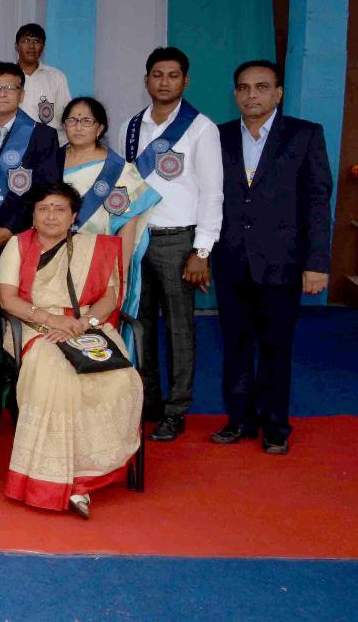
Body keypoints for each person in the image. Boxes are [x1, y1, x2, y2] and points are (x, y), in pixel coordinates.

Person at [0, 182, 143, 518]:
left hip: (86, 326)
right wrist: (51, 320)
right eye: (44, 209)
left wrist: (85, 322)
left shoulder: (93, 247)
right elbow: (8, 300)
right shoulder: (18, 245)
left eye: (60, 209)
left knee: (121, 378)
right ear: (33, 214)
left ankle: (86, 476)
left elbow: (109, 297)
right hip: (35, 325)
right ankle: (58, 478)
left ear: (74, 216)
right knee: (58, 378)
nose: (51, 216)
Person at [211, 60, 331, 455]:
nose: (252, 95)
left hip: (283, 262)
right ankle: (239, 419)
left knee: (276, 347)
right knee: (235, 345)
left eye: (262, 87)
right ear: (235, 94)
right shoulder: (219, 136)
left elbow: (317, 202)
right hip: (231, 260)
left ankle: (276, 425)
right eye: (244, 87)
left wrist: (317, 263)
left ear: (278, 93)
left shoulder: (304, 135)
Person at [117, 47, 222, 440]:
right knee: (139, 323)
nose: (164, 82)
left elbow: (212, 193)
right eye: (157, 74)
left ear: (185, 81)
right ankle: (149, 400)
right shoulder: (131, 127)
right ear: (146, 79)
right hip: (137, 239)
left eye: (173, 75)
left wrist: (202, 250)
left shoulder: (201, 129)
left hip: (179, 241)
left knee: (180, 328)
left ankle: (177, 409)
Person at [0, 62, 62, 424]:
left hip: (23, 241)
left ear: (22, 93)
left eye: (9, 88)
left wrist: (10, 231)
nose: (1, 94)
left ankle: (22, 396)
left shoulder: (43, 136)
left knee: (24, 318)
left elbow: (46, 192)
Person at [61, 97, 160, 322]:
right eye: (72, 120)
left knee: (96, 328)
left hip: (99, 263)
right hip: (53, 260)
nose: (78, 126)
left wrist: (120, 274)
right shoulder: (50, 161)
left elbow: (129, 221)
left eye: (86, 121)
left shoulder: (118, 170)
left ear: (100, 128)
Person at [15, 24, 72, 131]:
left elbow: (67, 115)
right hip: (13, 139)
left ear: (43, 48)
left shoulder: (56, 77)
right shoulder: (6, 76)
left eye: (36, 41)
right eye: (26, 41)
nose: (31, 46)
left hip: (48, 139)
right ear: (16, 46)